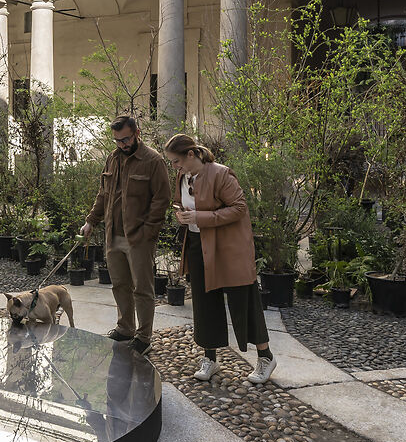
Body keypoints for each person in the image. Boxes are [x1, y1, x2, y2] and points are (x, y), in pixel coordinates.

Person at [165, 132, 276, 385]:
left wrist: (200, 218)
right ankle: (210, 358)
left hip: (228, 247)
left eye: (176, 161)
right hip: (196, 244)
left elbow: (239, 208)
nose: (174, 166)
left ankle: (266, 357)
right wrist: (182, 215)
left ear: (190, 154)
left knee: (243, 299)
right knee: (204, 302)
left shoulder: (221, 174)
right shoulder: (182, 177)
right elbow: (183, 204)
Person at [81, 114, 172, 354]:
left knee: (142, 288)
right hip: (113, 235)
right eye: (117, 141)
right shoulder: (112, 159)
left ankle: (144, 336)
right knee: (120, 284)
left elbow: (162, 200)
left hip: (139, 238)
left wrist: (148, 233)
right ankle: (125, 328)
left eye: (126, 139)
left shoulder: (153, 161)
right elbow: (103, 194)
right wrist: (91, 221)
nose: (122, 145)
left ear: (137, 133)